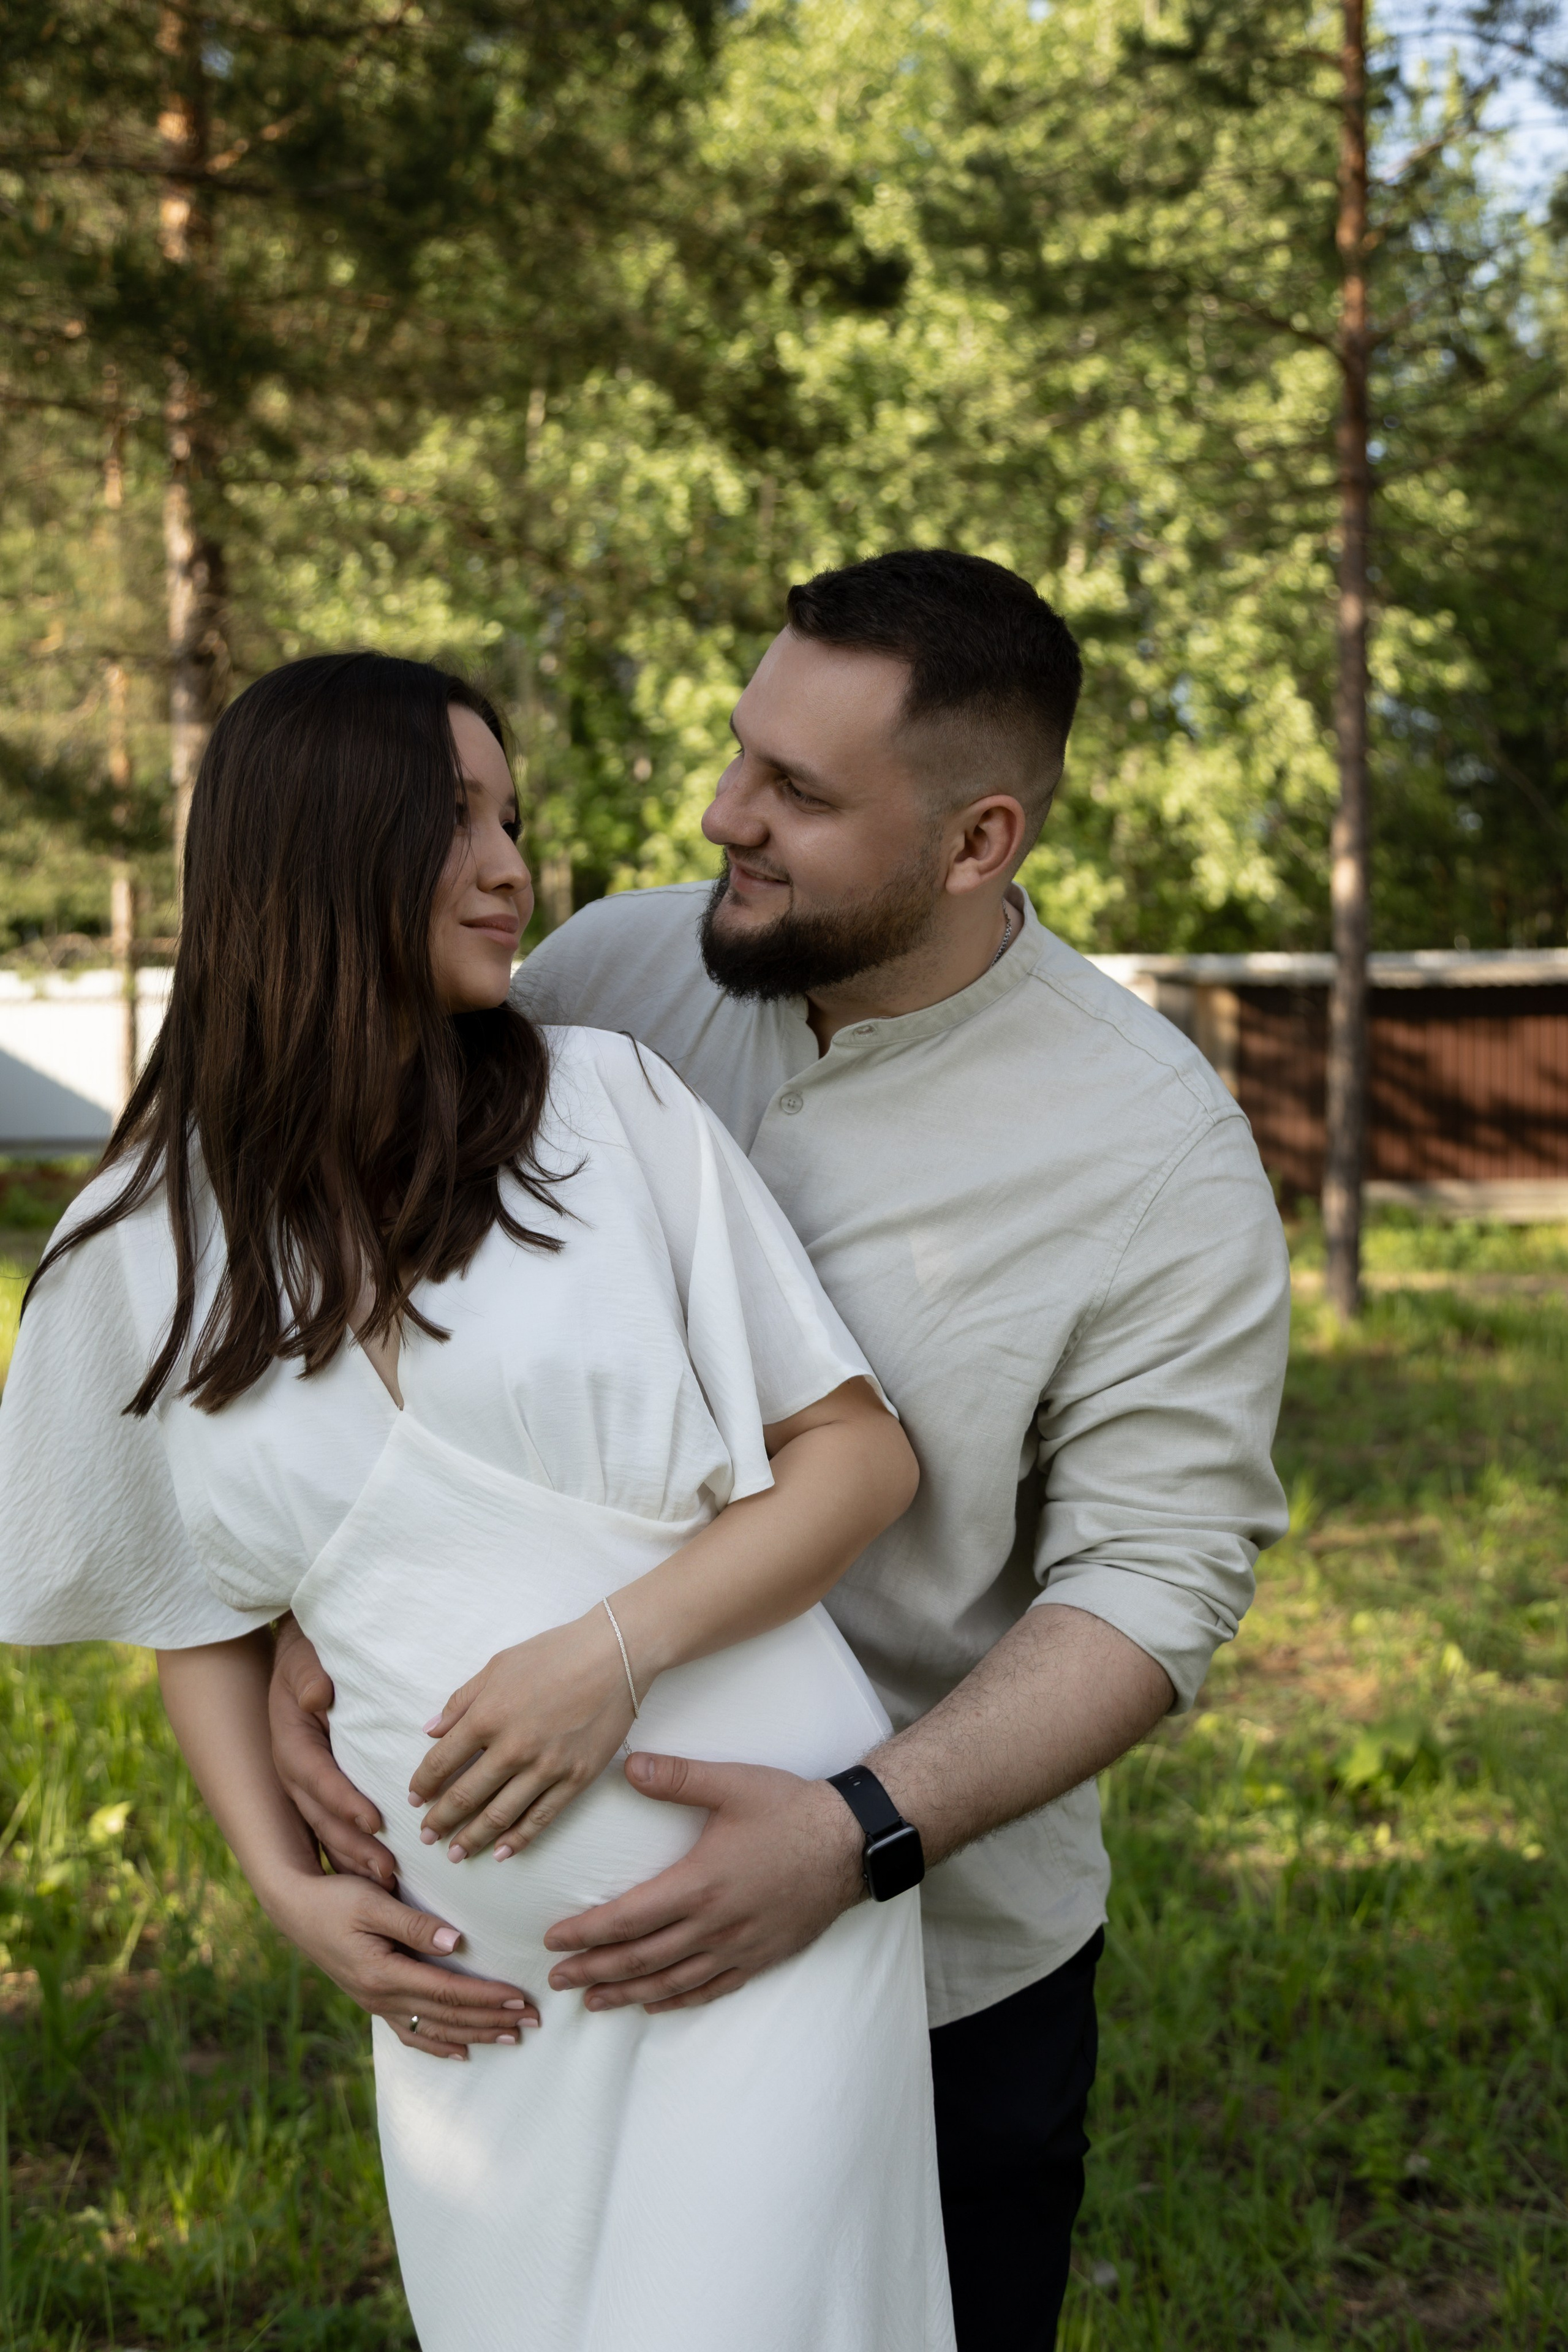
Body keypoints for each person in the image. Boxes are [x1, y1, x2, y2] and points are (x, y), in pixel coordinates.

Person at [274, 550, 1294, 2347]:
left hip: (933, 1981)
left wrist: (854, 1833)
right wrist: (301, 1613)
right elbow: (385, 1310)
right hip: (534, 1945)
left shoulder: (1159, 1159)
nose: (722, 814)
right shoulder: (598, 979)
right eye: (743, 752)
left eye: (800, 796)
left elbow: (1152, 1586)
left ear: (978, 842)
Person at [0, 652, 959, 2352]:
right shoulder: (135, 1247)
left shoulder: (605, 1112)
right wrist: (287, 1889)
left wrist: (610, 1651)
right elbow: (193, 1618)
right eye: (455, 821)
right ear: (312, 846)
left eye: (511, 818)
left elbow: (860, 1459)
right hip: (478, 2017)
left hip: (759, 1933)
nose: (513, 863)